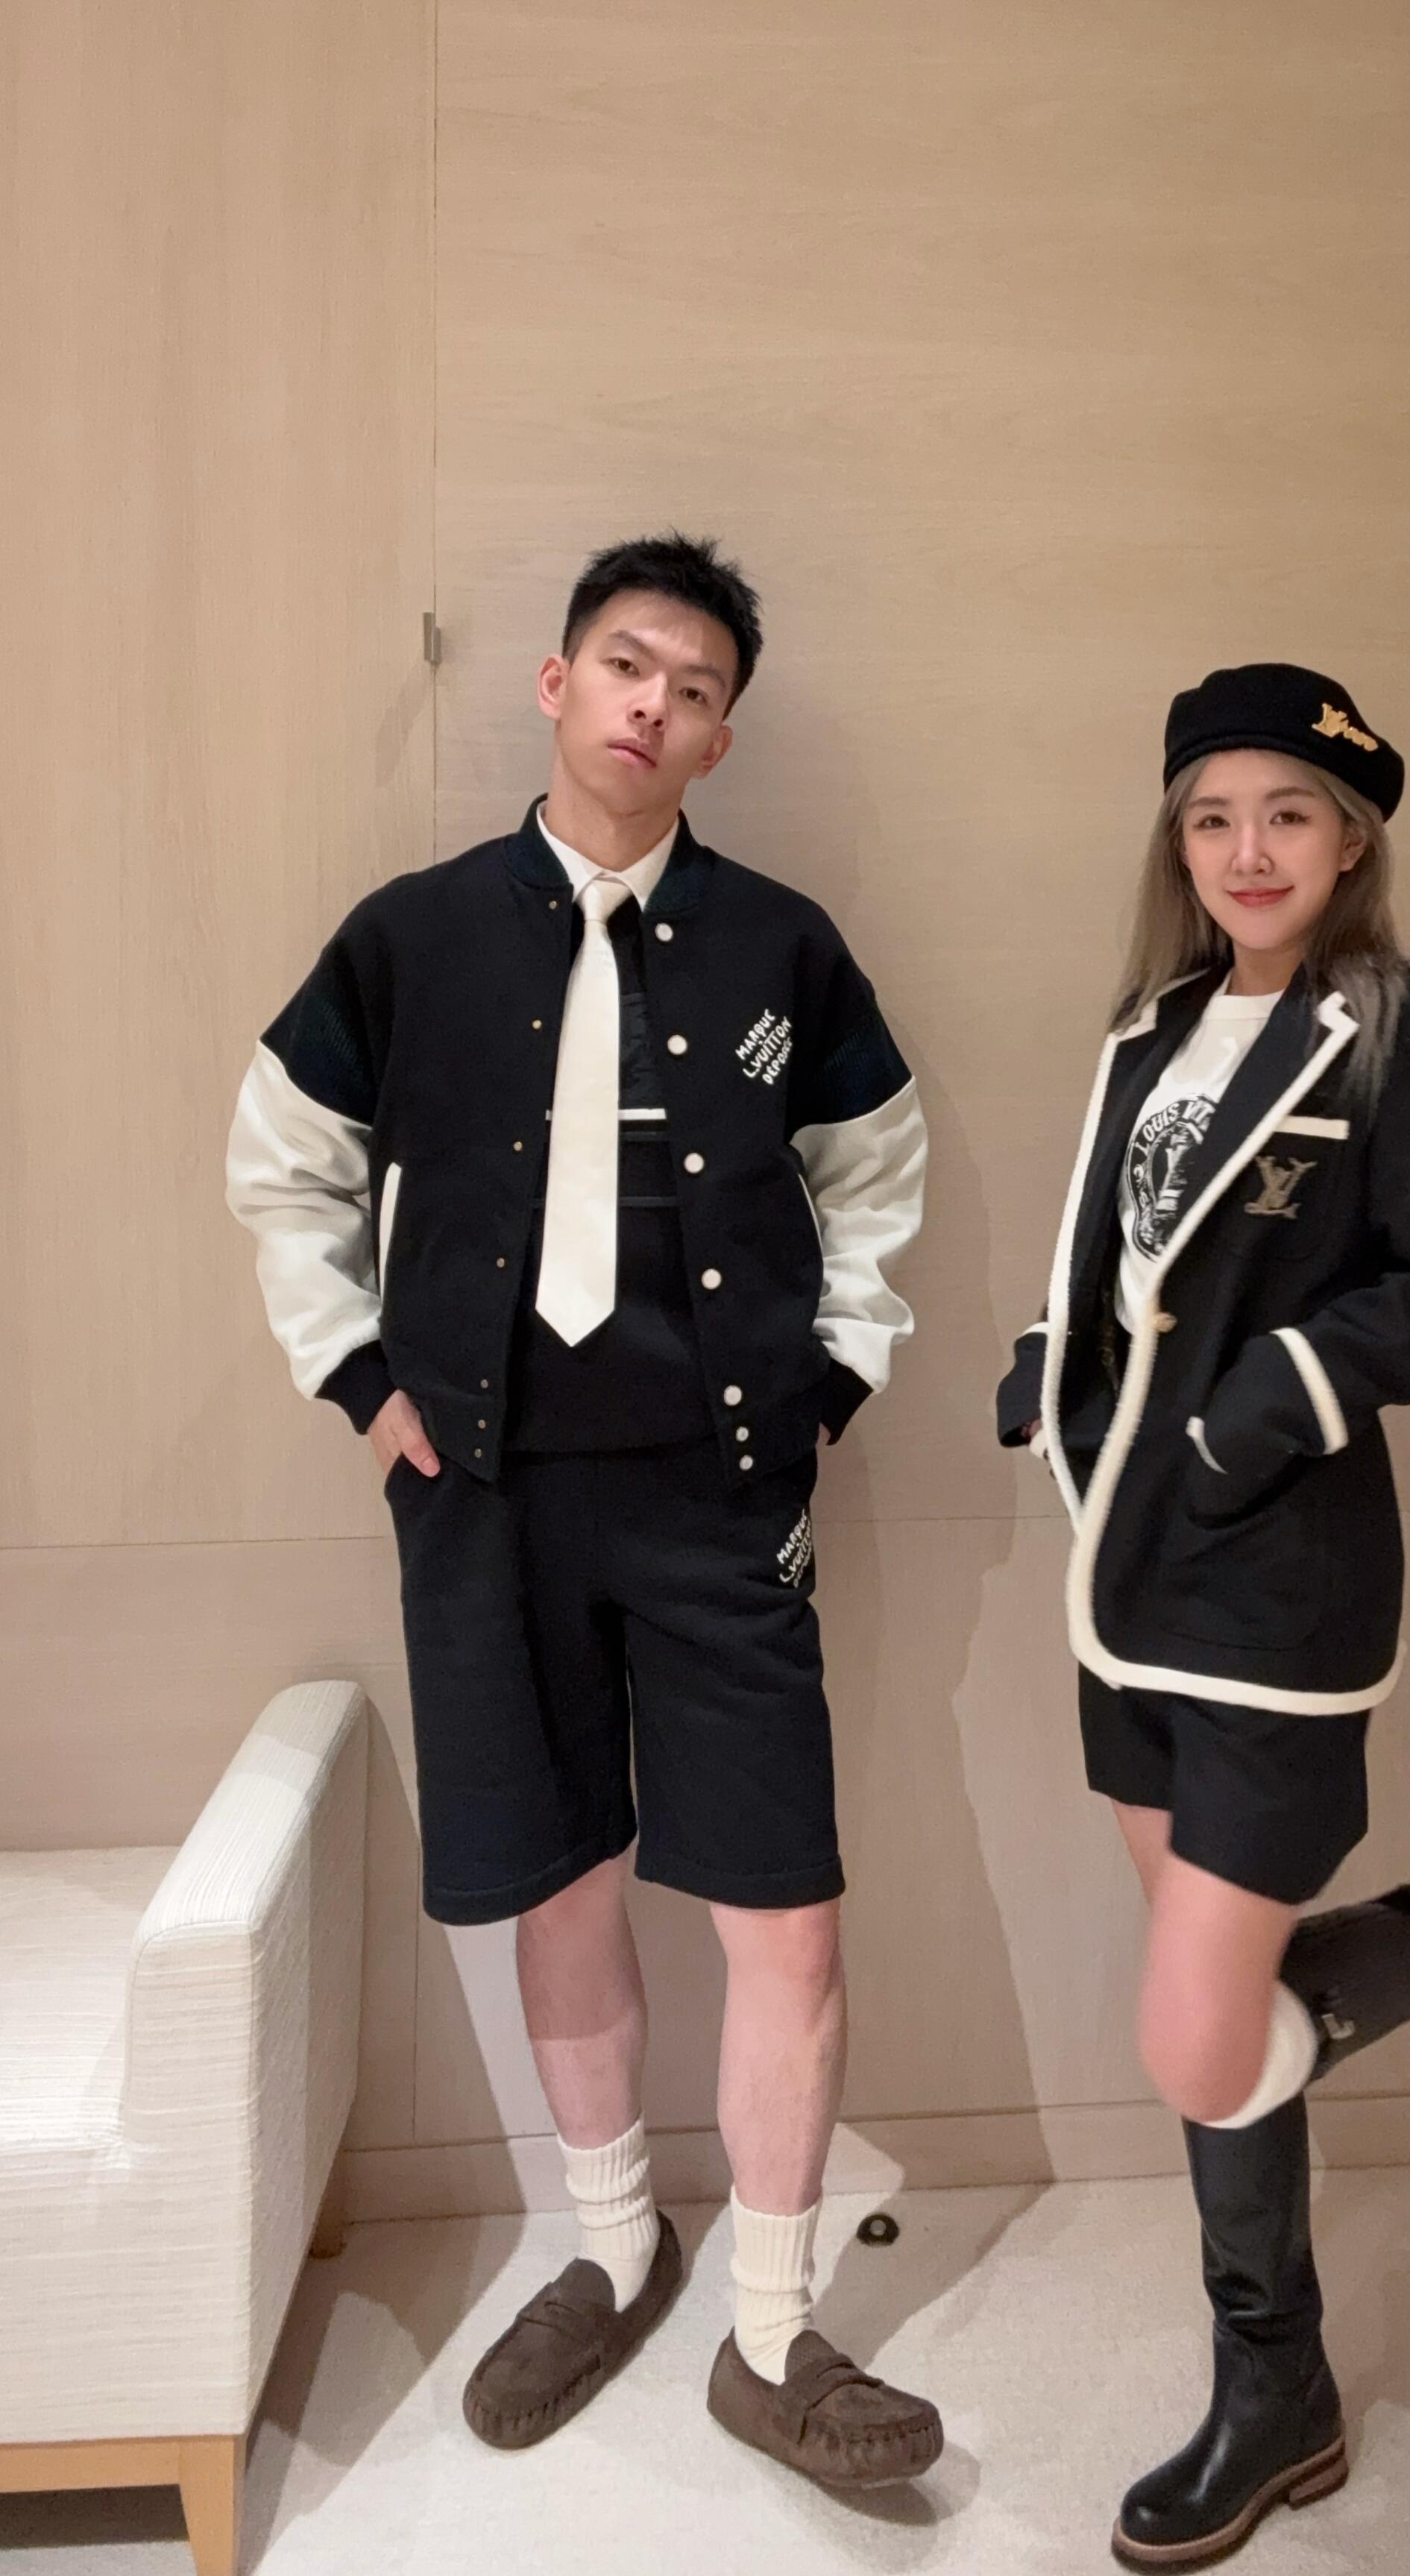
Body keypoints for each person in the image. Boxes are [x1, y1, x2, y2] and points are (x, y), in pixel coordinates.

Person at [228, 533, 942, 2489]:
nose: (654, 705)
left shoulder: (783, 948)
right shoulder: (413, 937)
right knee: (559, 1879)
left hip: (721, 1497)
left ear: (720, 738)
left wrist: (834, 1378)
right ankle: (614, 2244)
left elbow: (876, 1170)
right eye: (627, 666)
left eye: (695, 689)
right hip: (485, 1496)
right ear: (555, 684)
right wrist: (362, 1380)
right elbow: (284, 1160)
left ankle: (775, 2334)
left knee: (782, 1907)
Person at [996, 663, 1410, 2567]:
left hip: (1277, 1570)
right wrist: (1047, 1362)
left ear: (1350, 837)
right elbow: (1118, 1252)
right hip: (1118, 1571)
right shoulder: (1150, 1030)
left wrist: (1257, 1409)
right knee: (1207, 2003)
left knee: (1193, 2035)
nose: (1245, 849)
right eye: (1210, 815)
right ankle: (1277, 2388)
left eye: (1286, 812)